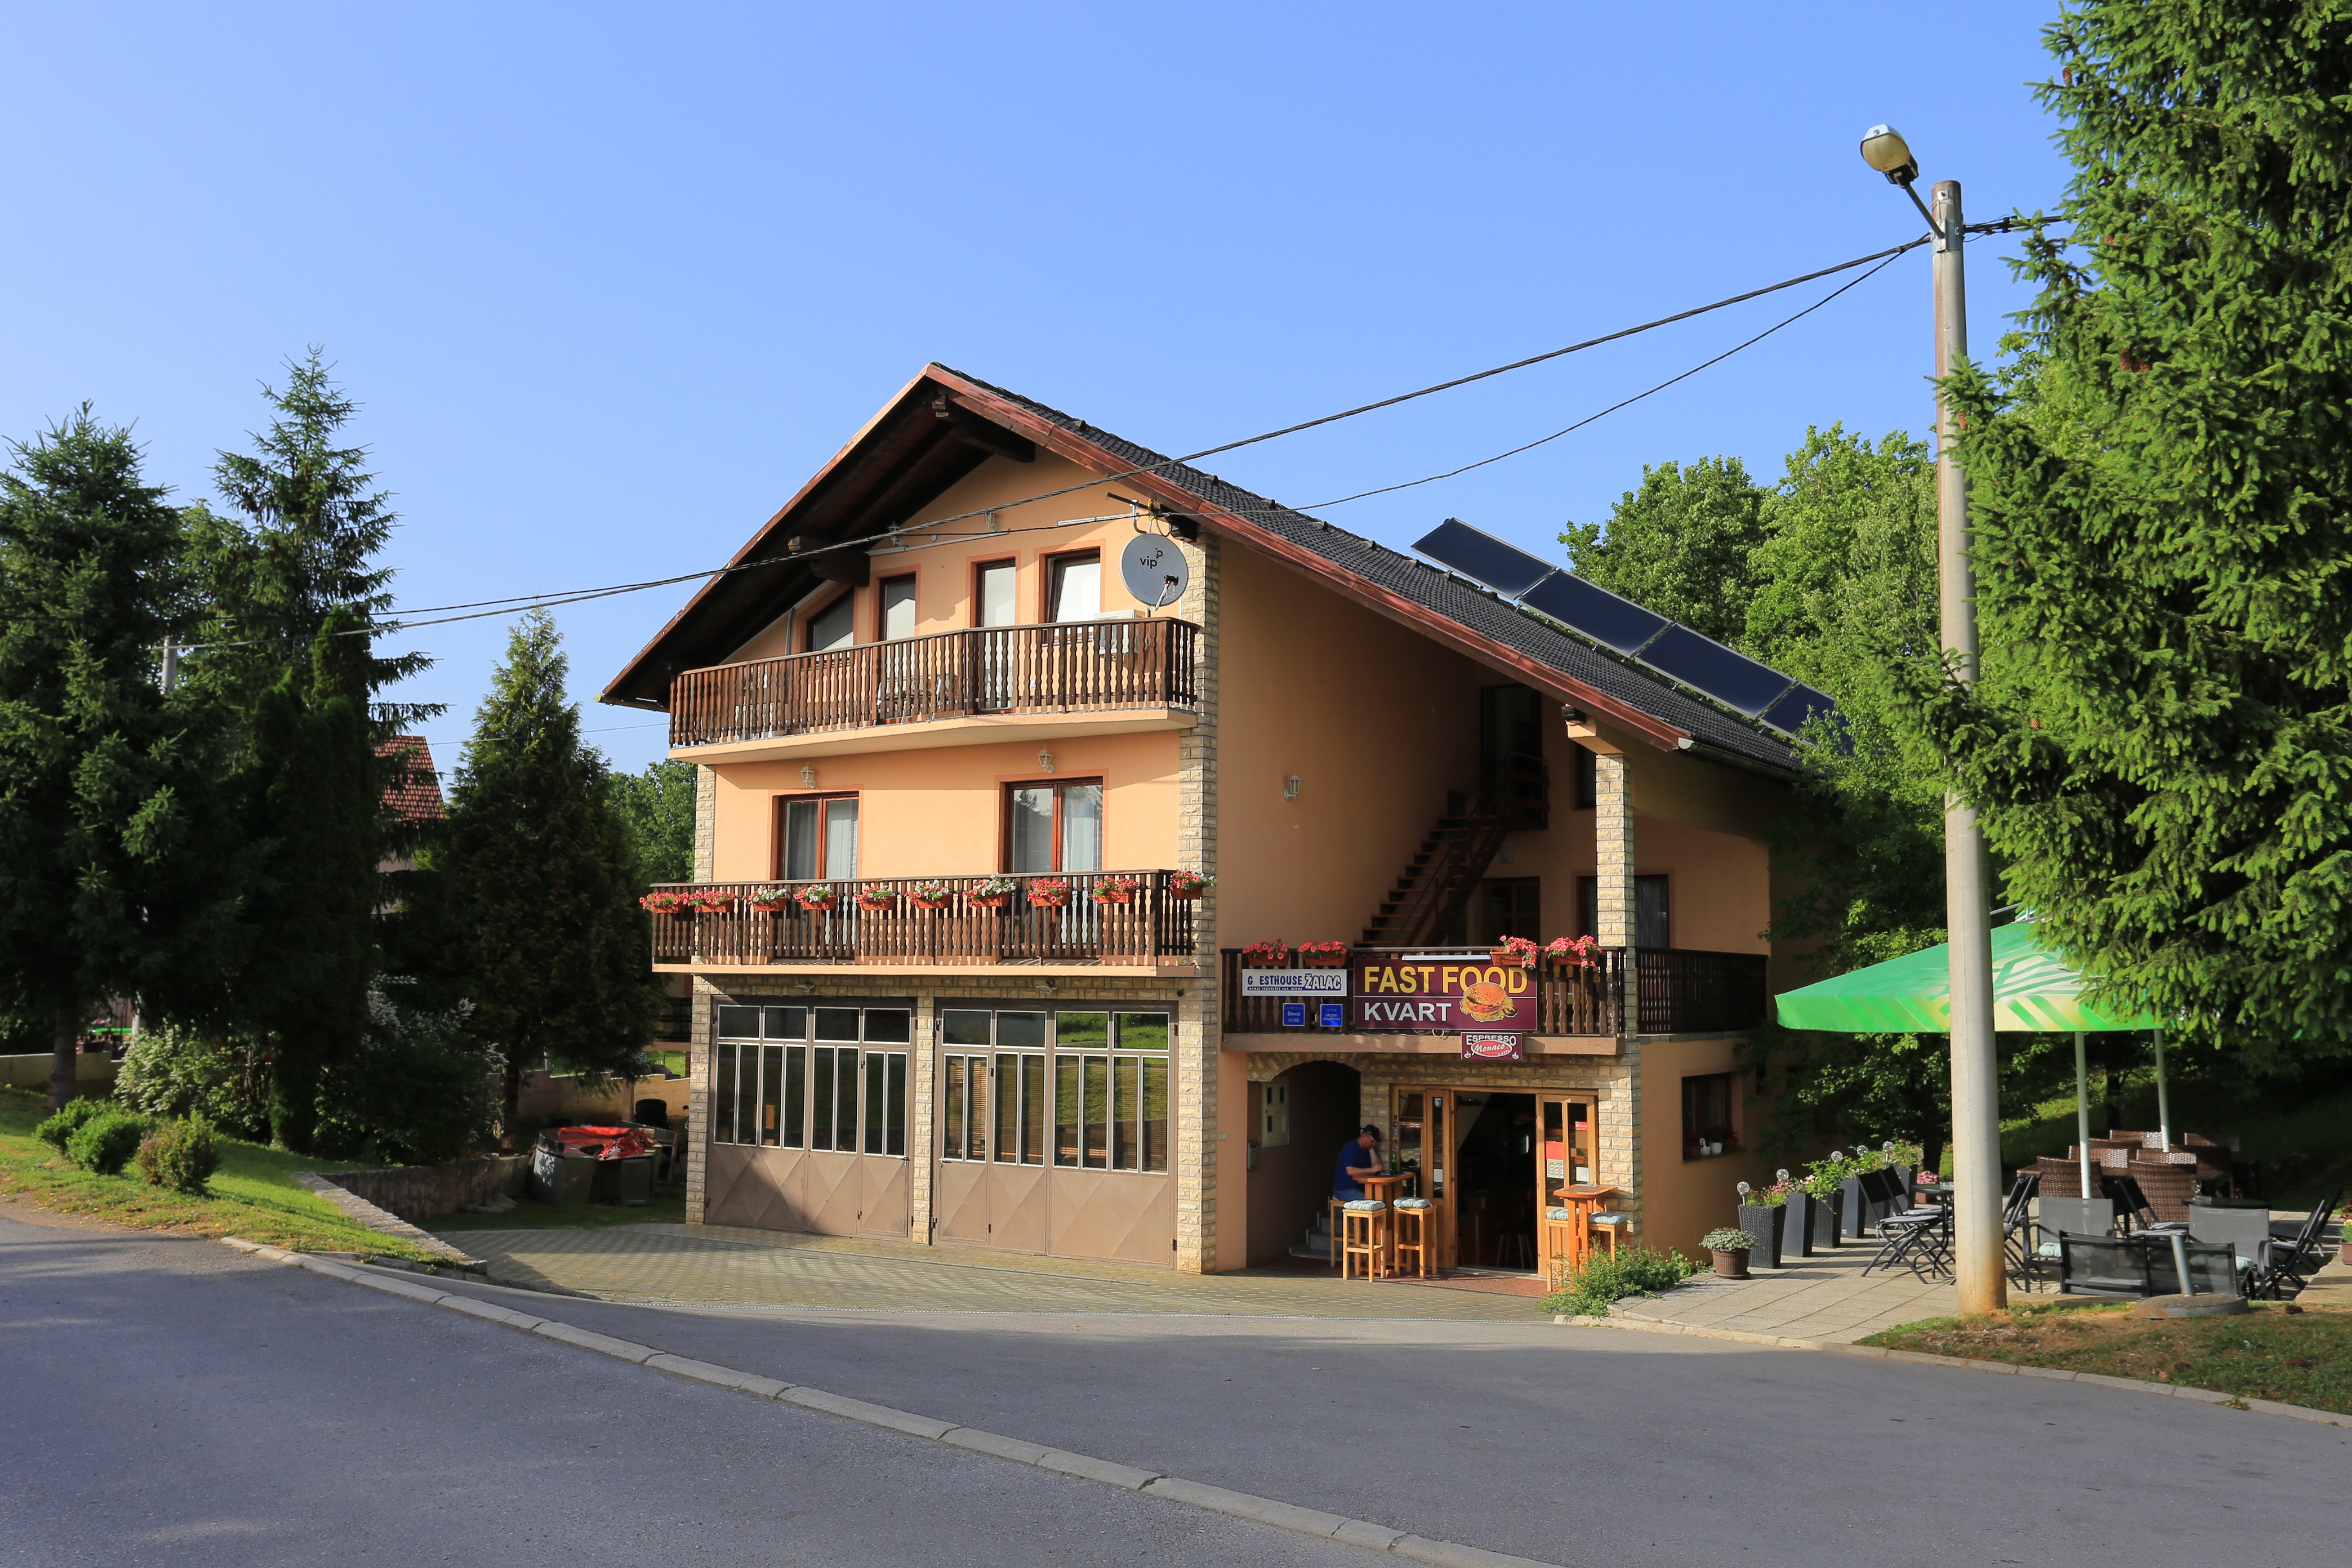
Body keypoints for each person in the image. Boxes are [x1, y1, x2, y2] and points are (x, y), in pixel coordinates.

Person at [1333, 1124, 1384, 1201]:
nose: (1374, 1144)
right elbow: (1351, 1171)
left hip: (1361, 1188)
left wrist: (1371, 1150)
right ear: (1365, 1137)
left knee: (1381, 1199)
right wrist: (1370, 1170)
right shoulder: (1350, 1148)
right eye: (1373, 1141)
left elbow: (1377, 1168)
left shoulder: (1367, 1150)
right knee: (1371, 1204)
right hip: (1345, 1190)